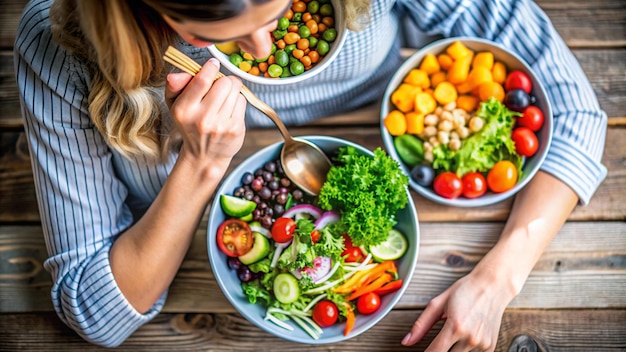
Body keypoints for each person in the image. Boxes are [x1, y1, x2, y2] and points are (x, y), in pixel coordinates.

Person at [14, 0, 606, 350]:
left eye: (285, 8)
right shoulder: (60, 46)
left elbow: (574, 111)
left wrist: (499, 277)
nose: (265, 47)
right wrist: (198, 165)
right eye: (206, 38)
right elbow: (94, 312)